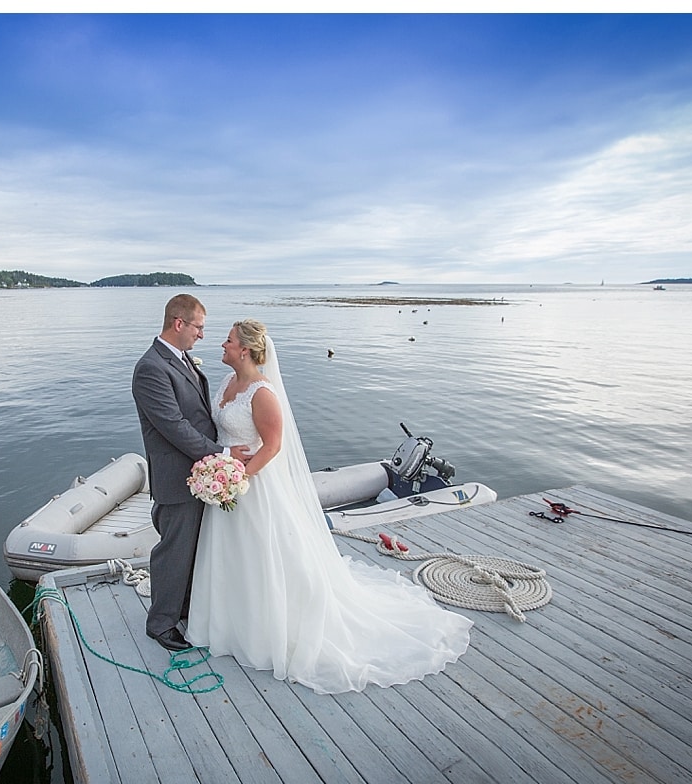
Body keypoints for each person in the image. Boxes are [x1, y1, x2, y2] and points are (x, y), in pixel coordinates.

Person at [187, 319, 473, 694]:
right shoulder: (227, 383)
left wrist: (236, 479)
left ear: (245, 349)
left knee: (265, 553)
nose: (221, 344)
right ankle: (228, 621)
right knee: (232, 554)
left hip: (252, 486)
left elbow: (272, 447)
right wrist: (222, 469)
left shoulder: (262, 393)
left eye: (227, 340)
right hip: (230, 482)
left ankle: (269, 626)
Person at [132, 294, 252, 653]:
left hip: (198, 473)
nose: (202, 335)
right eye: (199, 326)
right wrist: (225, 454)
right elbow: (174, 425)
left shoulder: (180, 360)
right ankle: (161, 623)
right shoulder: (151, 367)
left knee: (189, 550)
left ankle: (181, 608)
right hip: (177, 477)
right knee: (173, 551)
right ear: (179, 323)